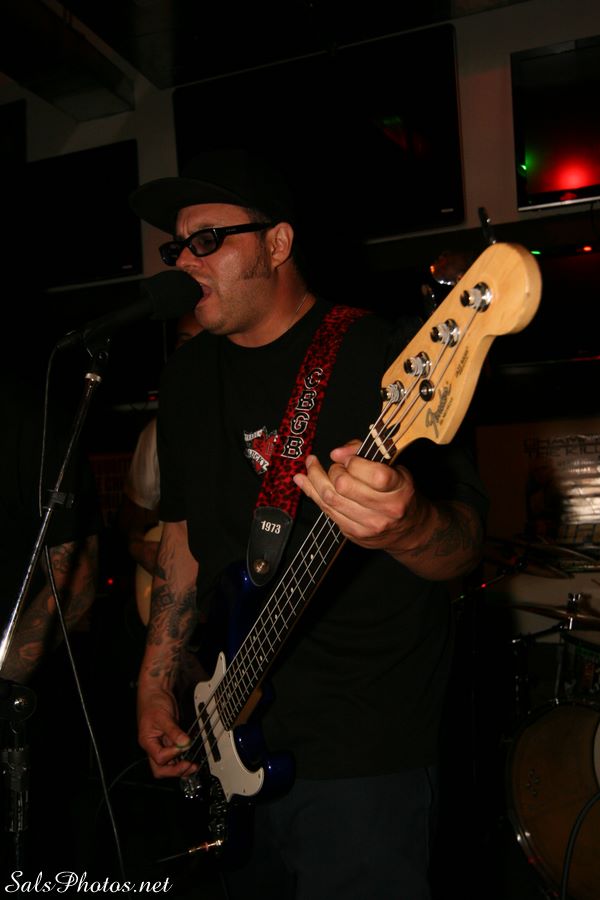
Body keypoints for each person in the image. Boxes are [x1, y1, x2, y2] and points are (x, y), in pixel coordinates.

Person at [129, 148, 488, 899]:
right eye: (176, 247)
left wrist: (405, 525)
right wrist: (155, 682)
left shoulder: (385, 357)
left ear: (278, 243)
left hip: (365, 745)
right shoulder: (187, 378)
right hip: (229, 729)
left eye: (207, 240)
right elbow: (183, 542)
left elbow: (463, 549)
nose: (184, 261)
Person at [117, 311, 203, 624]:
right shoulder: (157, 433)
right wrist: (140, 546)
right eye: (185, 343)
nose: (195, 354)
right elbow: (133, 517)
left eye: (208, 342)